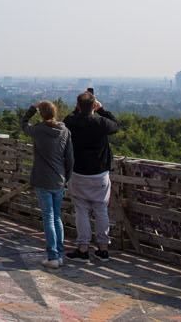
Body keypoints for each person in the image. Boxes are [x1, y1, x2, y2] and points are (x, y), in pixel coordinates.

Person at [63, 89, 120, 260]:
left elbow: (68, 119)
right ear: (93, 105)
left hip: (78, 172)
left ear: (78, 106)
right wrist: (101, 109)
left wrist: (78, 109)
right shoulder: (101, 122)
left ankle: (83, 247)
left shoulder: (71, 122)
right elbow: (116, 125)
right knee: (101, 209)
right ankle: (103, 248)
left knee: (81, 211)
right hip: (99, 173)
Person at [20, 100, 74, 269]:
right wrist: (67, 177)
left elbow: (23, 124)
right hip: (59, 179)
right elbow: (70, 158)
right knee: (57, 217)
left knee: (48, 218)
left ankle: (52, 256)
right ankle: (59, 254)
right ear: (55, 113)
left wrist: (31, 109)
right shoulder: (65, 131)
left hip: (42, 179)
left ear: (41, 114)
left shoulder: (38, 130)